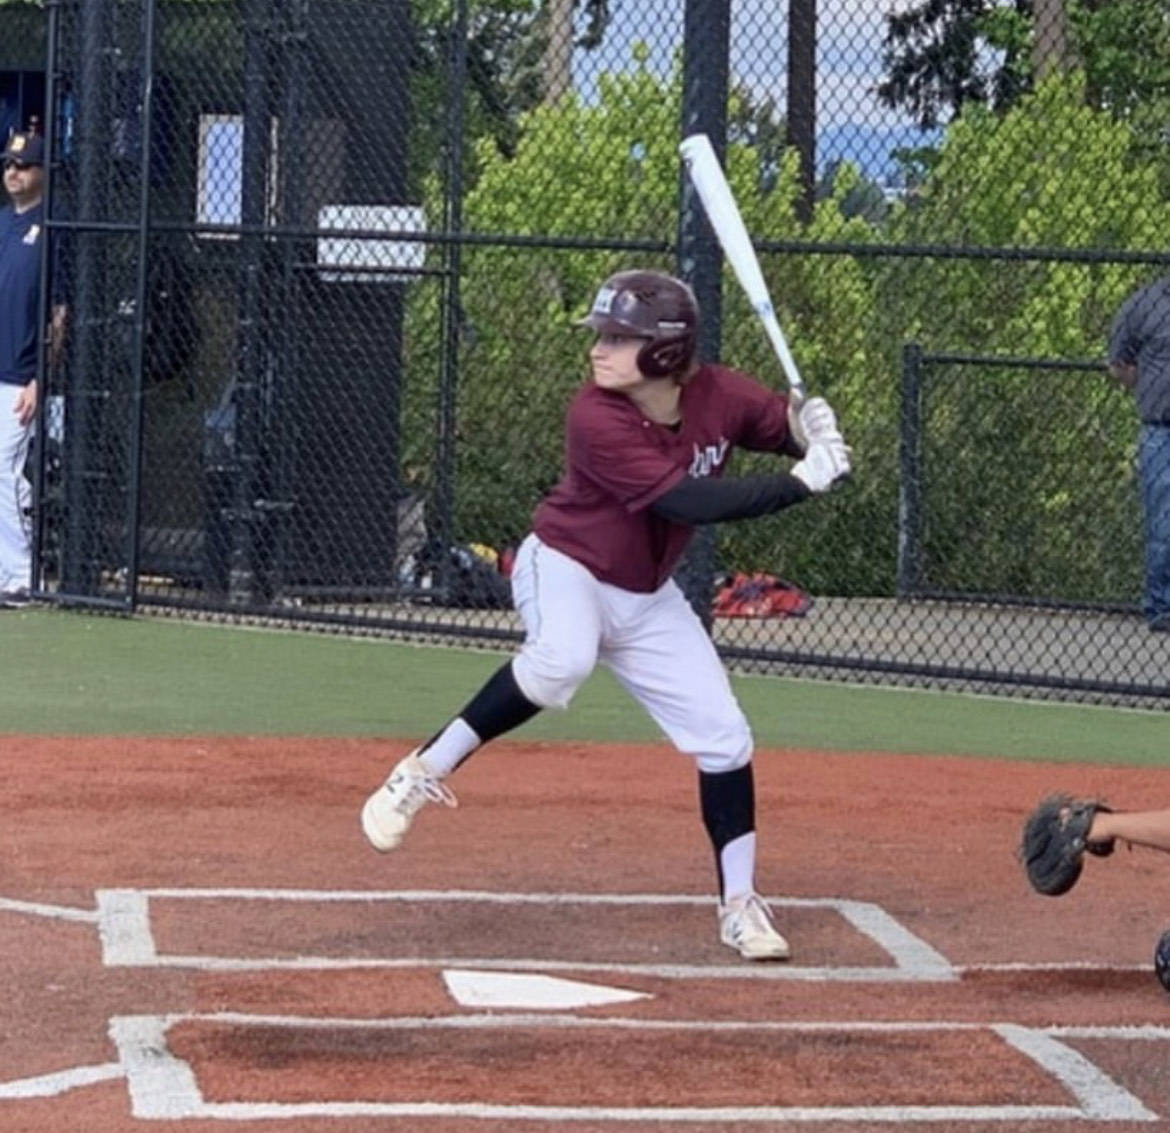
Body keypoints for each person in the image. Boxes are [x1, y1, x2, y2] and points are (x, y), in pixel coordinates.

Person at [360, 268, 851, 960]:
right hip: (567, 565)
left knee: (724, 736)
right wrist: (802, 480)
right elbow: (687, 503)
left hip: (647, 595)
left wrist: (811, 425)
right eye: (604, 335)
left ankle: (739, 905)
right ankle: (421, 770)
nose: (601, 349)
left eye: (621, 338)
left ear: (666, 353)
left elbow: (778, 423)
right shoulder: (595, 415)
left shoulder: (719, 393)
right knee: (562, 659)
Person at [0, 129, 65, 607]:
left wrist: (41, 377)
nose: (14, 173)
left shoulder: (53, 227)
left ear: (42, 172)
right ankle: (9, 571)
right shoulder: (2, 223)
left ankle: (25, 574)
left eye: (24, 166)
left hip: (20, 377)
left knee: (3, 468)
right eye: (9, 165)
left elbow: (60, 314)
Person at [1107, 275, 1170, 632]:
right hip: (1162, 429)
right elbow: (1119, 363)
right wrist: (1151, 387)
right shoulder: (1144, 303)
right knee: (1164, 523)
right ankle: (1161, 607)